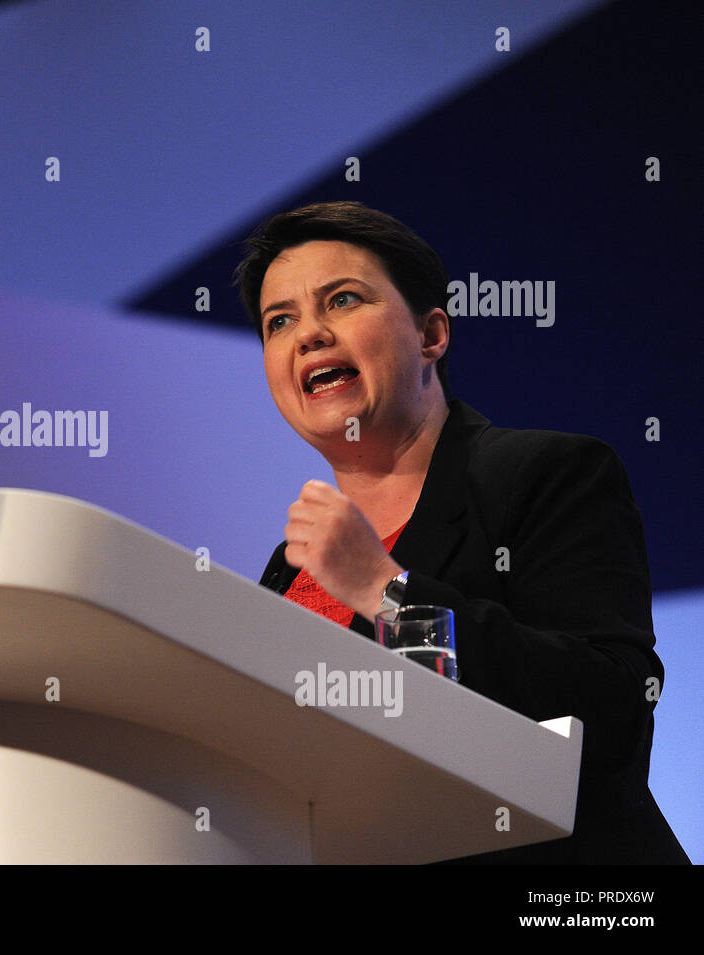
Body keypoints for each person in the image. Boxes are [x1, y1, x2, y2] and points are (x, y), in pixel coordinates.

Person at [235, 200, 688, 863]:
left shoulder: (545, 474)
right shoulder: (291, 567)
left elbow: (613, 707)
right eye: (280, 321)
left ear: (431, 334)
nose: (309, 334)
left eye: (341, 300)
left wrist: (387, 592)